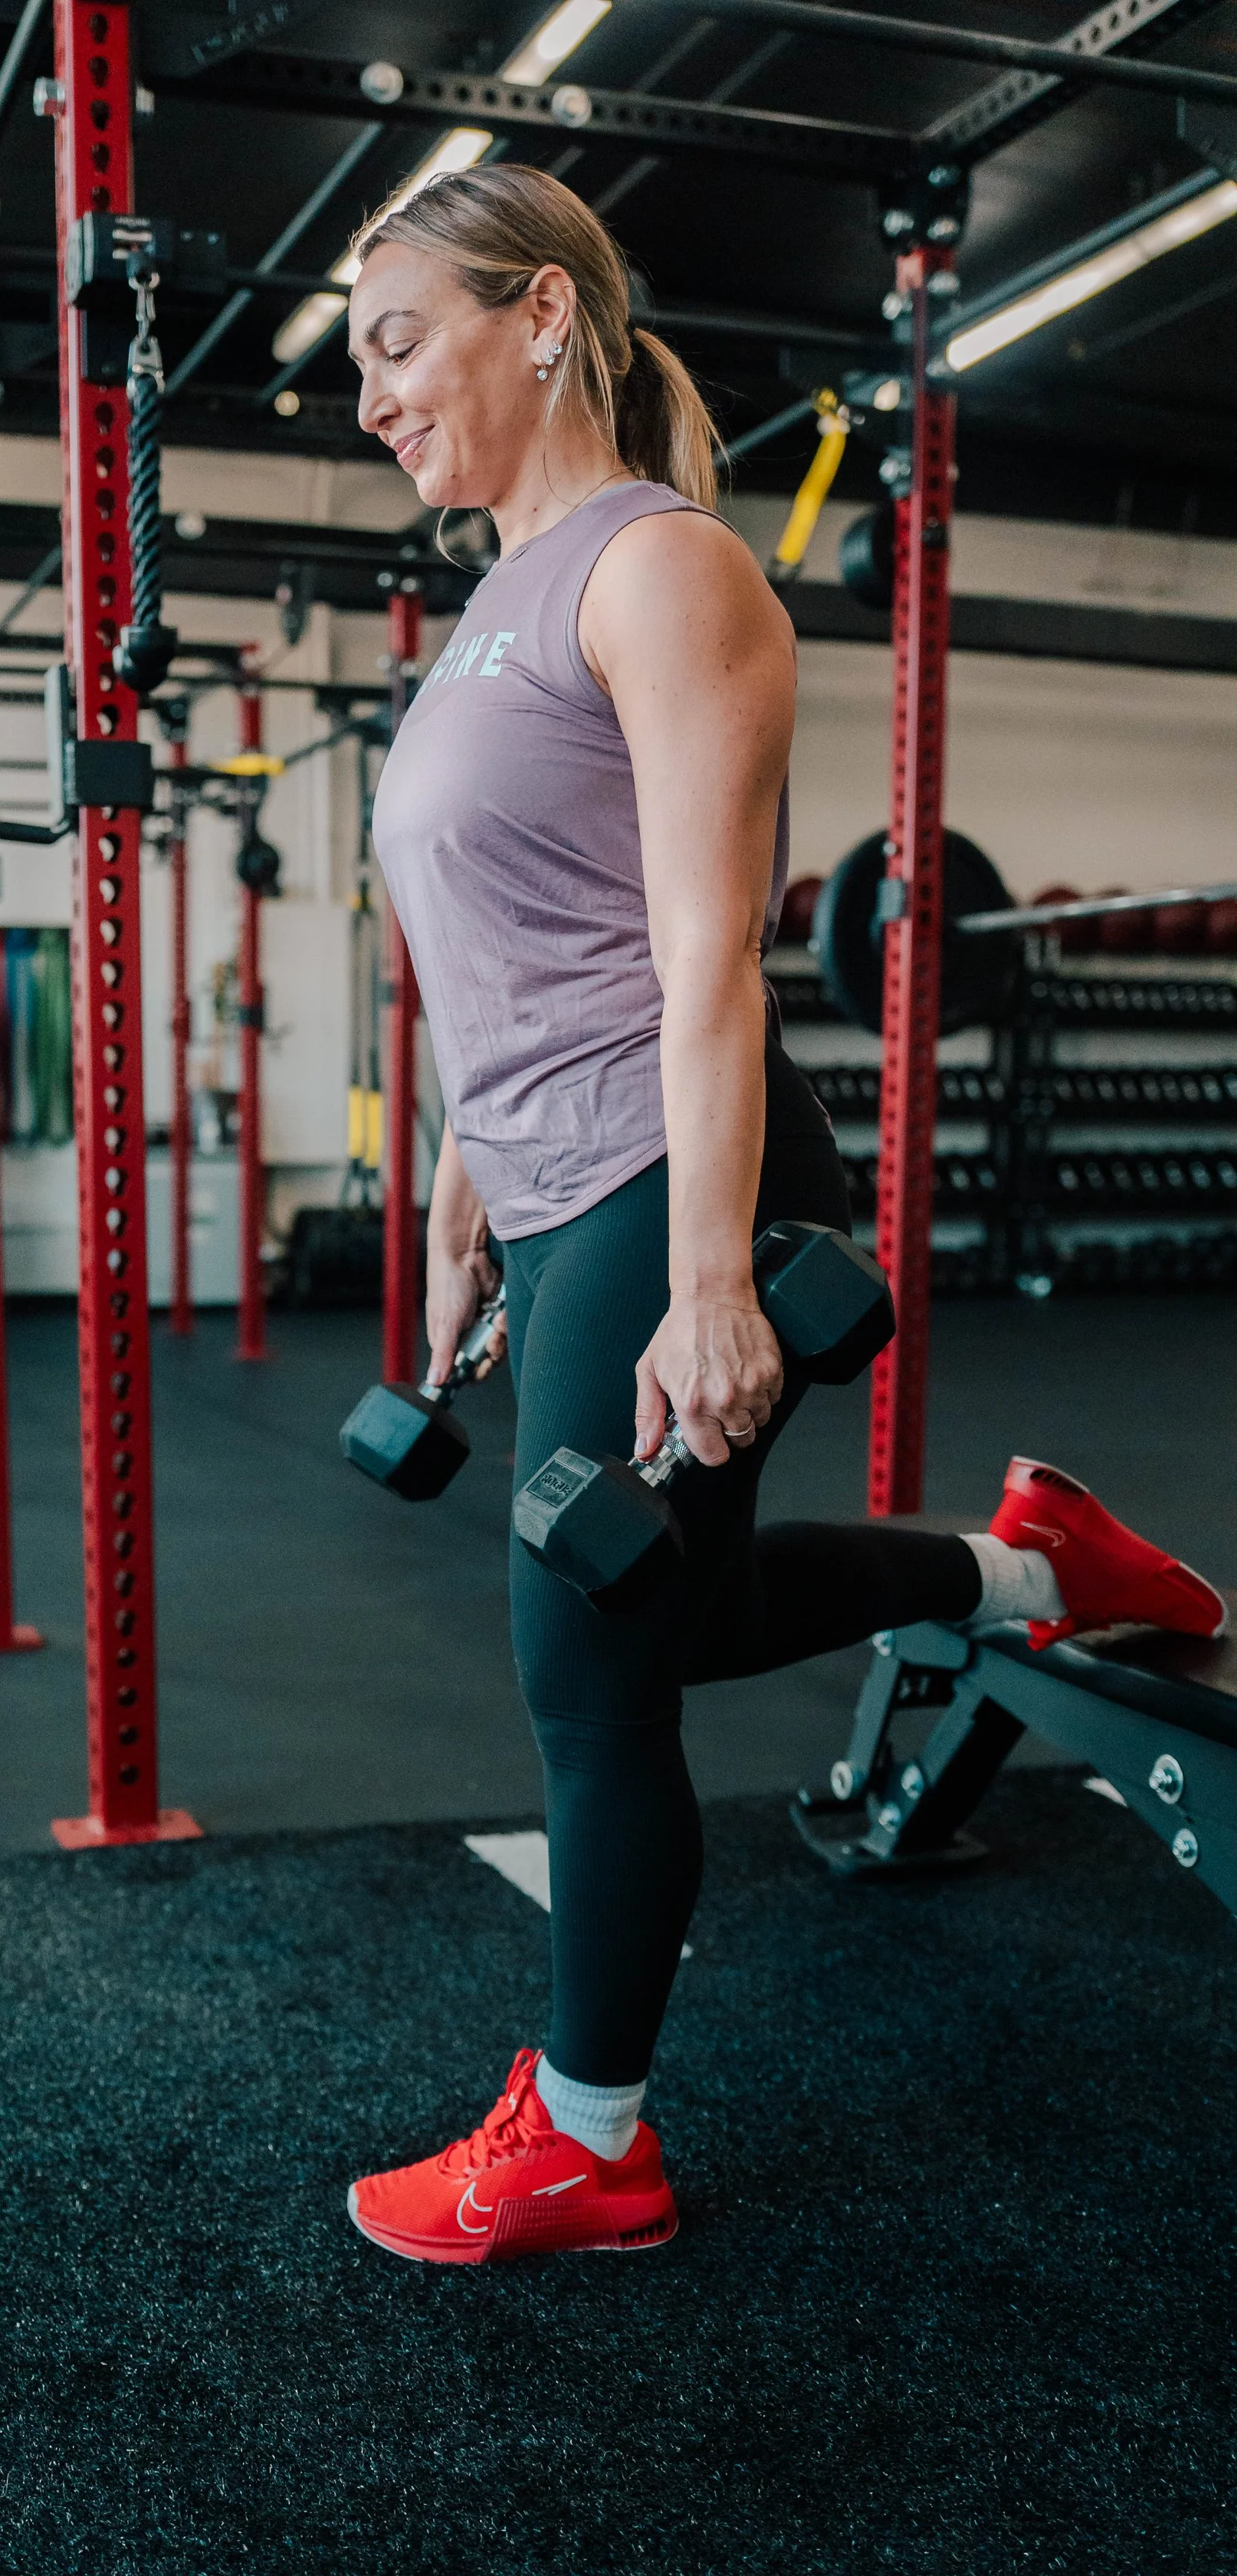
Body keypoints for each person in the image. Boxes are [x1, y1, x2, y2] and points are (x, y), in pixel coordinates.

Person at [344, 166, 1224, 2266]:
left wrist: (712, 1277)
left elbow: (702, 952)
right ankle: (1028, 1566)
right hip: (553, 1179)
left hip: (675, 1171)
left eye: (396, 342)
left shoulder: (660, 573)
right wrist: (462, 1162)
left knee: (586, 1666)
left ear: (539, 314)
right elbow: (504, 938)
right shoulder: (491, 593)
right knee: (680, 1610)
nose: (368, 396)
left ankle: (587, 2139)